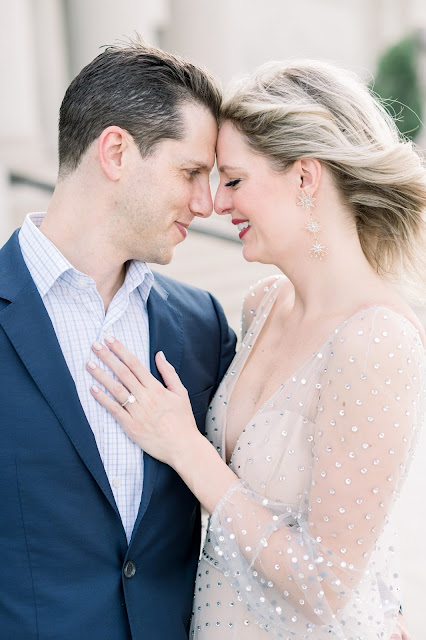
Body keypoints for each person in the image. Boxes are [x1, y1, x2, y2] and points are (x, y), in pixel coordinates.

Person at [87, 59, 426, 639]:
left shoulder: (377, 339)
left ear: (305, 177)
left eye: (235, 180)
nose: (216, 202)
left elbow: (326, 582)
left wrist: (185, 448)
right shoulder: (263, 304)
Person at [0, 40, 236, 639]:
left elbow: (273, 491)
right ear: (115, 152)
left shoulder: (203, 326)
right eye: (191, 172)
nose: (206, 203)